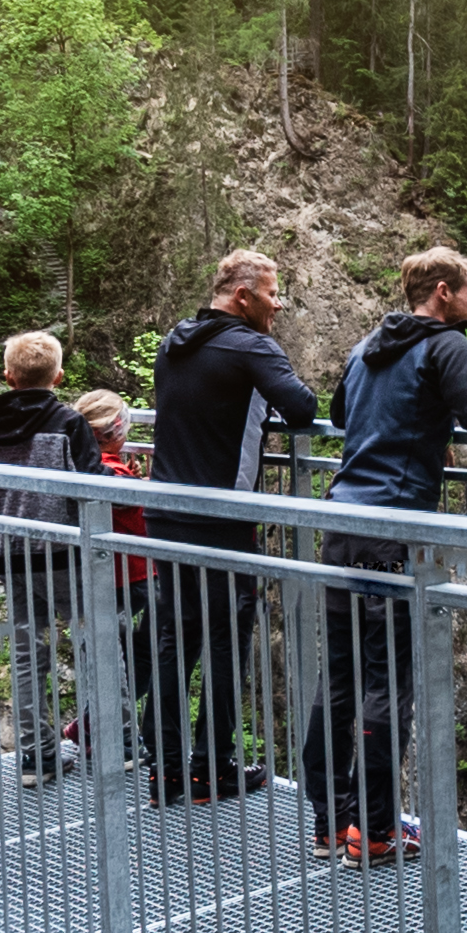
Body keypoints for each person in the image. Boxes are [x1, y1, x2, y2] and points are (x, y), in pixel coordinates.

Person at [303, 246, 467, 864]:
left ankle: (332, 821)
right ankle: (375, 832)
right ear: (441, 292)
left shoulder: (367, 345)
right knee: (387, 681)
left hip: (341, 521)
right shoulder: (444, 343)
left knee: (342, 673)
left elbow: (340, 414)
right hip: (392, 528)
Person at [145, 250, 317, 804]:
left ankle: (166, 769)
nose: (279, 303)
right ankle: (211, 769)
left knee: (175, 636)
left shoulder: (176, 342)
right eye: (272, 293)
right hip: (221, 519)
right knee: (225, 639)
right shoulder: (250, 345)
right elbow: (303, 409)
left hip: (164, 511)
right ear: (243, 297)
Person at [0, 330, 103, 788]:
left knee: (29, 655)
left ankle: (36, 756)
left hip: (11, 556)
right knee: (98, 642)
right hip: (64, 554)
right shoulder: (68, 422)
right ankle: (121, 743)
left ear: (7, 376)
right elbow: (91, 486)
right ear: (59, 376)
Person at [75, 384, 158, 777]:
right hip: (131, 574)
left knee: (118, 654)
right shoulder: (109, 473)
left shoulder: (87, 464)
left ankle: (89, 725)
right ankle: (109, 733)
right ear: (113, 431)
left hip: (113, 574)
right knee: (126, 656)